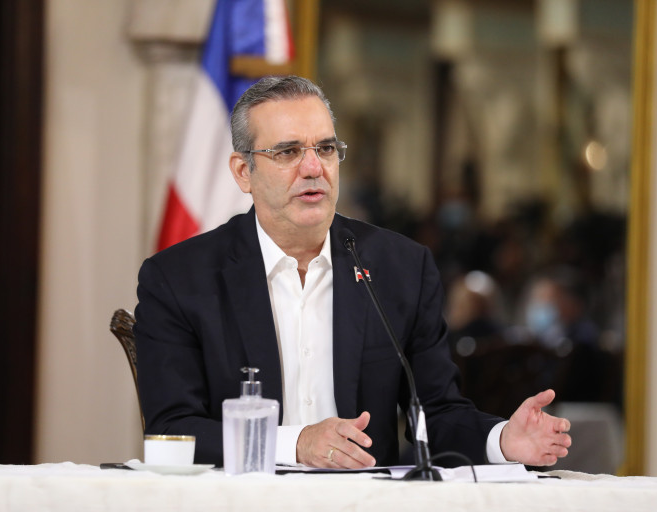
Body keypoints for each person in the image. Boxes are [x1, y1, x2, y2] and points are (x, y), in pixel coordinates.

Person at [134, 76, 571, 469]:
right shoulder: (179, 279)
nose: (314, 168)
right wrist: (296, 444)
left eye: (325, 149)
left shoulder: (400, 268)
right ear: (243, 172)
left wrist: (502, 441)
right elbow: (173, 428)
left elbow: (436, 413)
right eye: (288, 152)